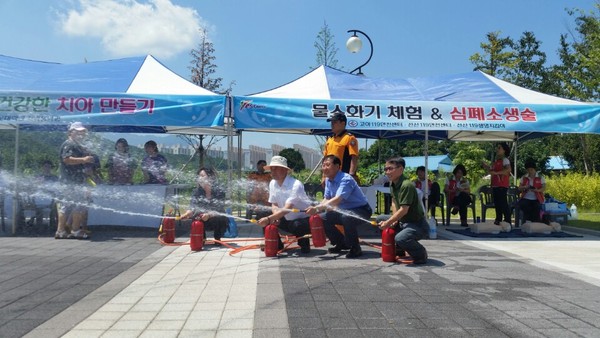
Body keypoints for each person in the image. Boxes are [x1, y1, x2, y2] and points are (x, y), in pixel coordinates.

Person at [306, 155, 372, 258]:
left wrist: (318, 208)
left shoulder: (346, 179)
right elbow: (327, 198)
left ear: (337, 166)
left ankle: (355, 247)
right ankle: (341, 243)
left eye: (327, 165)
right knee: (322, 217)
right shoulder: (328, 180)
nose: (324, 168)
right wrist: (318, 208)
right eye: (323, 165)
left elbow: (337, 199)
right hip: (343, 211)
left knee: (347, 217)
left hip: (362, 210)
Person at [376, 157, 429, 264]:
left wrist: (388, 222)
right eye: (385, 169)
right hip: (404, 221)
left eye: (390, 169)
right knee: (379, 218)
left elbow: (404, 210)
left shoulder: (406, 185)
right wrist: (394, 220)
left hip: (417, 224)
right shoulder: (393, 183)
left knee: (401, 238)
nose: (387, 172)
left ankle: (420, 253)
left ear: (400, 169)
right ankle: (400, 248)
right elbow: (394, 201)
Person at [255, 156, 312, 253]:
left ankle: (304, 243)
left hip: (302, 220)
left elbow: (287, 208)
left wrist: (270, 219)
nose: (273, 172)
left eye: (277, 169)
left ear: (285, 170)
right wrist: (275, 216)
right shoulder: (273, 183)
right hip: (285, 218)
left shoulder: (296, 185)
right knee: (262, 213)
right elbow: (274, 204)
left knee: (297, 225)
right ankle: (276, 245)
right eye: (272, 169)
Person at [55, 122, 95, 239]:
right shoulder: (69, 144)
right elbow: (67, 159)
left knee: (66, 206)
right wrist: (84, 159)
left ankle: (61, 231)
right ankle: (75, 230)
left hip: (72, 181)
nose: (81, 134)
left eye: (82, 132)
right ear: (70, 132)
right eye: (78, 132)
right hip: (70, 181)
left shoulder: (76, 145)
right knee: (78, 205)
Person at [180, 167, 228, 244]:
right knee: (196, 216)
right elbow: (192, 206)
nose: (200, 178)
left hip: (215, 219)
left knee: (220, 216)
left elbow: (219, 208)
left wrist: (208, 215)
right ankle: (201, 238)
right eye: (199, 176)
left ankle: (217, 238)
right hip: (202, 218)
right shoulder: (196, 192)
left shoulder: (219, 191)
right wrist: (187, 214)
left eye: (202, 176)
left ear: (210, 178)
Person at [323, 112, 359, 182]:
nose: (332, 124)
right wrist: (324, 176)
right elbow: (325, 159)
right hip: (329, 177)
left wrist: (351, 175)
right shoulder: (330, 139)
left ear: (343, 123)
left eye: (335, 122)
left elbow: (354, 157)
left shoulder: (349, 138)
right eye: (331, 122)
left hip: (343, 176)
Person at [483, 142, 511, 225]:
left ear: (504, 150)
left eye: (499, 148)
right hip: (495, 185)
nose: (497, 149)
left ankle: (507, 220)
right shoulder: (496, 161)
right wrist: (487, 167)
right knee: (497, 203)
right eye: (497, 148)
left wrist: (496, 173)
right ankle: (498, 219)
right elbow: (492, 170)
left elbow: (508, 170)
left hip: (502, 185)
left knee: (503, 203)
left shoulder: (505, 160)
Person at [517, 160, 545, 224]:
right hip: (526, 197)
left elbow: (544, 188)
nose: (530, 171)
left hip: (537, 198)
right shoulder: (524, 177)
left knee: (537, 207)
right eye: (528, 170)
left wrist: (536, 190)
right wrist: (524, 187)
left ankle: (535, 222)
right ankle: (528, 221)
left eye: (531, 170)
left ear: (534, 169)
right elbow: (519, 188)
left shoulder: (540, 177)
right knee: (523, 205)